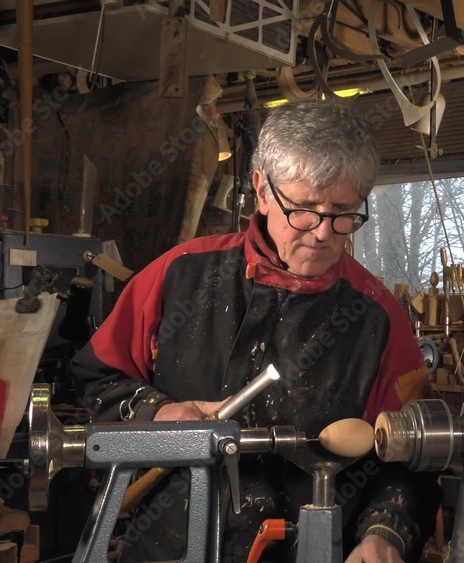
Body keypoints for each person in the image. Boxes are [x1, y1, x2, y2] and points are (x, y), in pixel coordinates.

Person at [71, 99, 440, 563]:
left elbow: (414, 457)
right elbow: (97, 377)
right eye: (304, 210)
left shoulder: (378, 318)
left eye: (343, 213)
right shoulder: (178, 276)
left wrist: (385, 532)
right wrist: (157, 411)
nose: (323, 233)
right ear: (262, 190)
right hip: (168, 548)